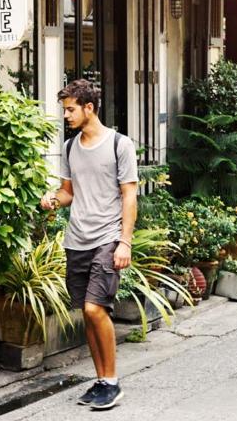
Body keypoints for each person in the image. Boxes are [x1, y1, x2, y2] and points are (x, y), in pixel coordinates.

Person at [40, 79, 138, 411]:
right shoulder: (70, 148)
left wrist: (125, 242)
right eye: (64, 109)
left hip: (107, 239)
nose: (65, 115)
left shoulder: (119, 145)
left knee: (97, 308)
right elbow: (68, 192)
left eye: (70, 109)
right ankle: (100, 381)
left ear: (89, 108)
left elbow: (129, 195)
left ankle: (112, 381)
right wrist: (53, 199)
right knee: (87, 311)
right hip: (77, 240)